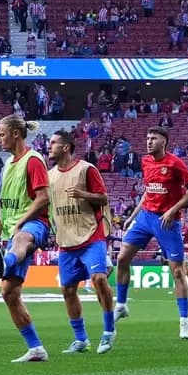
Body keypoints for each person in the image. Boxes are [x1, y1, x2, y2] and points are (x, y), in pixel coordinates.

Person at [113, 127, 188, 338]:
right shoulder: (145, 161)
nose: (149, 141)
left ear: (164, 142)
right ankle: (121, 305)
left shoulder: (176, 164)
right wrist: (132, 216)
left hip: (167, 221)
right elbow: (148, 191)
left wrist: (173, 210)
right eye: (148, 138)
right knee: (122, 259)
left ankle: (184, 322)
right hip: (145, 217)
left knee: (177, 272)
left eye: (154, 138)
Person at [46, 129, 116, 355]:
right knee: (68, 290)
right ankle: (81, 339)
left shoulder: (86, 169)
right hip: (66, 241)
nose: (49, 146)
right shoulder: (49, 176)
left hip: (91, 235)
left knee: (99, 279)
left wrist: (83, 195)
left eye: (53, 143)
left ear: (65, 147)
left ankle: (109, 331)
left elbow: (103, 198)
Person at [0, 114, 52, 363]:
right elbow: (12, 199)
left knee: (22, 239)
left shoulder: (33, 160)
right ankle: (36, 348)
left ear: (16, 134)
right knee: (9, 293)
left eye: (2, 134)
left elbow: (43, 197)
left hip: (35, 223)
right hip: (14, 225)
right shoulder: (9, 163)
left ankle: (5, 261)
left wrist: (21, 221)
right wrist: (0, 221)